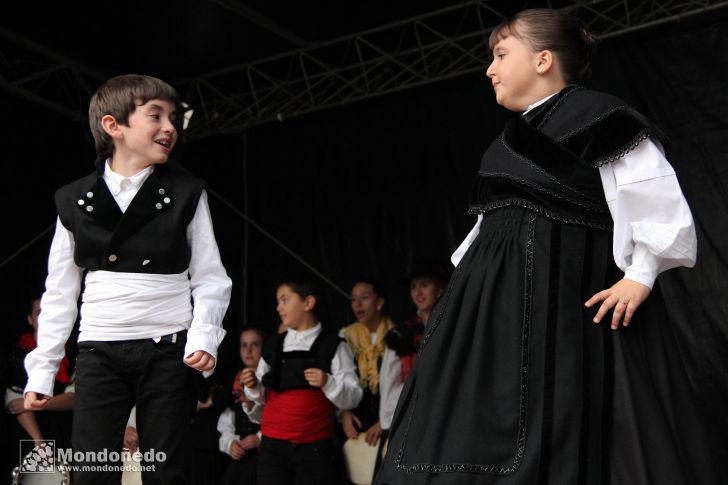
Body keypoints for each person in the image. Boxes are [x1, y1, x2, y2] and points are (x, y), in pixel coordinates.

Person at [376, 8, 718, 485]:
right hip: (495, 313)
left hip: (569, 306)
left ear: (542, 60)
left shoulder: (601, 117)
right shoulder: (501, 145)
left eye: (499, 54)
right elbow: (485, 233)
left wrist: (640, 275)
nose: (489, 68)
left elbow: (655, 201)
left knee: (575, 427)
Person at [23, 74, 232, 484]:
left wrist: (204, 335)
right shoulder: (73, 199)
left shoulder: (187, 191)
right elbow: (60, 291)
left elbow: (210, 276)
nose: (170, 126)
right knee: (92, 471)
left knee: (165, 470)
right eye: (155, 115)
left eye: (173, 117)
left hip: (167, 350)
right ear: (112, 126)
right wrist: (43, 370)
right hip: (99, 351)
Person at [242, 276, 363, 485]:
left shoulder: (333, 345)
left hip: (314, 451)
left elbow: (353, 397)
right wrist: (253, 386)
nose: (279, 307)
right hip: (273, 450)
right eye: (278, 301)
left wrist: (328, 382)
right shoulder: (273, 345)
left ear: (308, 303)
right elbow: (261, 399)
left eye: (285, 300)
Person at [339, 280, 400, 484]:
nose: (357, 305)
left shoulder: (397, 335)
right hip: (355, 422)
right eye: (353, 299)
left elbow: (401, 384)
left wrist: (384, 421)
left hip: (388, 422)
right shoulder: (345, 337)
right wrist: (344, 412)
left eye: (364, 298)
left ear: (379, 302)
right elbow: (340, 378)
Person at [4, 298, 74, 448]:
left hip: (63, 430)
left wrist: (31, 404)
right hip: (28, 433)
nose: (44, 317)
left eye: (48, 312)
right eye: (39, 312)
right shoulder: (18, 353)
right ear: (30, 319)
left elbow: (74, 398)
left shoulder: (71, 353)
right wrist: (39, 441)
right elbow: (14, 404)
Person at [217, 326, 266, 485]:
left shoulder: (270, 378)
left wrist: (259, 438)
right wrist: (231, 443)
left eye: (255, 345)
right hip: (241, 462)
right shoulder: (235, 380)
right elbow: (227, 422)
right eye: (244, 345)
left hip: (267, 458)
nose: (248, 350)